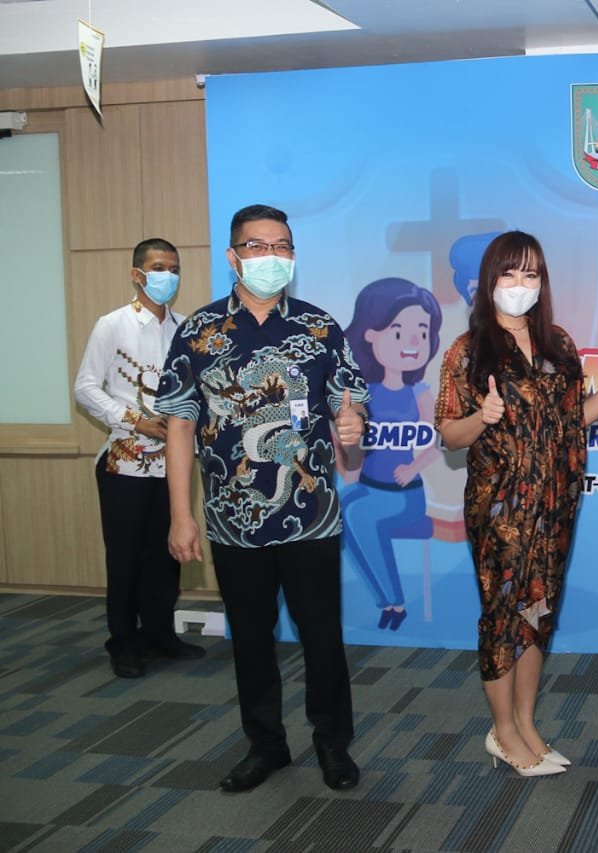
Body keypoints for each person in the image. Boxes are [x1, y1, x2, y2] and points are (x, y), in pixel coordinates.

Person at [156, 204, 368, 794]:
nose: (271, 257)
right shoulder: (198, 332)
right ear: (233, 257)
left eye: (282, 246)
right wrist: (180, 515)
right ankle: (266, 745)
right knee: (250, 641)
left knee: (321, 637)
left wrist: (353, 423)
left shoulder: (319, 328)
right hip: (233, 521)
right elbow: (178, 426)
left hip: (311, 517)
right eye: (257, 246)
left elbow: (350, 403)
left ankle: (333, 744)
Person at [435, 230, 598, 778]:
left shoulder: (559, 345)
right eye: (510, 273)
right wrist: (483, 418)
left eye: (531, 274)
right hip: (500, 510)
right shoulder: (467, 350)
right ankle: (502, 732)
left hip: (555, 504)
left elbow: (573, 421)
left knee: (538, 614)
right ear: (489, 281)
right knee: (502, 617)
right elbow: (449, 435)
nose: (520, 284)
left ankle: (526, 725)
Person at [73, 238, 206, 679]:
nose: (168, 276)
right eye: (159, 267)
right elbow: (85, 388)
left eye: (174, 268)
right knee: (125, 556)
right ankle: (124, 642)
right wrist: (134, 421)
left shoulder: (187, 328)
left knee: (166, 554)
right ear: (137, 274)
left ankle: (160, 635)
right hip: (123, 463)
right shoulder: (112, 324)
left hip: (173, 463)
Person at [337, 278, 443, 630]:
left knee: (358, 517)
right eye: (399, 332)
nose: (413, 342)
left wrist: (413, 468)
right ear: (371, 333)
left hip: (404, 493)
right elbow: (348, 446)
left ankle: (393, 602)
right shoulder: (361, 390)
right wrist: (349, 466)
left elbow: (439, 439)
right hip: (367, 485)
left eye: (422, 332)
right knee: (339, 509)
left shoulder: (419, 392)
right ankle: (386, 600)